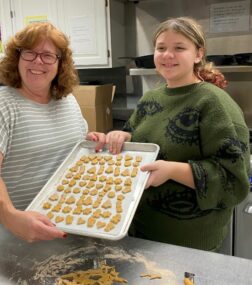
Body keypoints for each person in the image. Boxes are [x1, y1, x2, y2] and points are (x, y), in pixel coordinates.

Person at [103, 17, 250, 251]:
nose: (167, 55)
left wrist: (172, 170)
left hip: (188, 241)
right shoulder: (153, 97)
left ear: (198, 54)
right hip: (139, 227)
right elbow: (134, 135)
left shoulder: (214, 104)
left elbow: (234, 181)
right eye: (161, 48)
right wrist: (122, 138)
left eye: (179, 48)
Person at [0, 22, 103, 242]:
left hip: (62, 220)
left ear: (60, 64)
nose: (38, 61)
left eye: (48, 55)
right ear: (16, 58)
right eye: (30, 53)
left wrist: (91, 140)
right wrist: (11, 217)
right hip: (11, 228)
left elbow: (72, 145)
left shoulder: (68, 101)